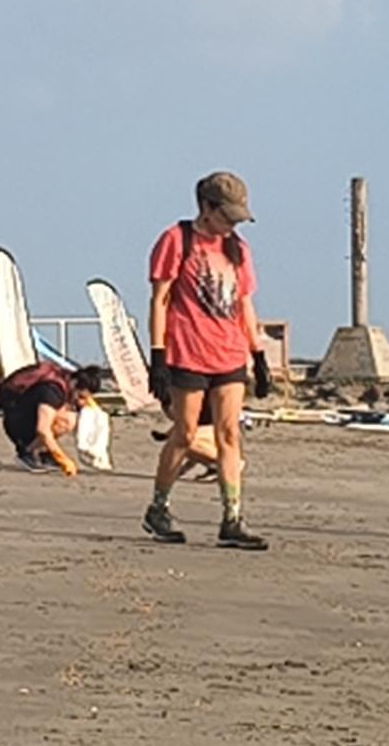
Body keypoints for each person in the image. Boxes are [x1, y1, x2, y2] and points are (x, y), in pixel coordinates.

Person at [142, 172, 273, 550]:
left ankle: (232, 519)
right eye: (226, 217)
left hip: (229, 355)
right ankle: (158, 508)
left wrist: (258, 354)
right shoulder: (176, 240)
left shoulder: (239, 249)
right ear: (206, 207)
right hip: (187, 354)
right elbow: (160, 299)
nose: (231, 225)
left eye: (237, 219)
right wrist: (157, 355)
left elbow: (245, 303)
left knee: (229, 435)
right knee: (183, 434)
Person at [0, 363, 106, 474]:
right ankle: (28, 453)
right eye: (80, 397)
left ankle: (41, 451)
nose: (81, 402)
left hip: (24, 411)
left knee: (71, 415)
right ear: (75, 384)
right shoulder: (53, 391)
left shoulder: (66, 378)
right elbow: (43, 430)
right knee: (67, 420)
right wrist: (63, 458)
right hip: (16, 421)